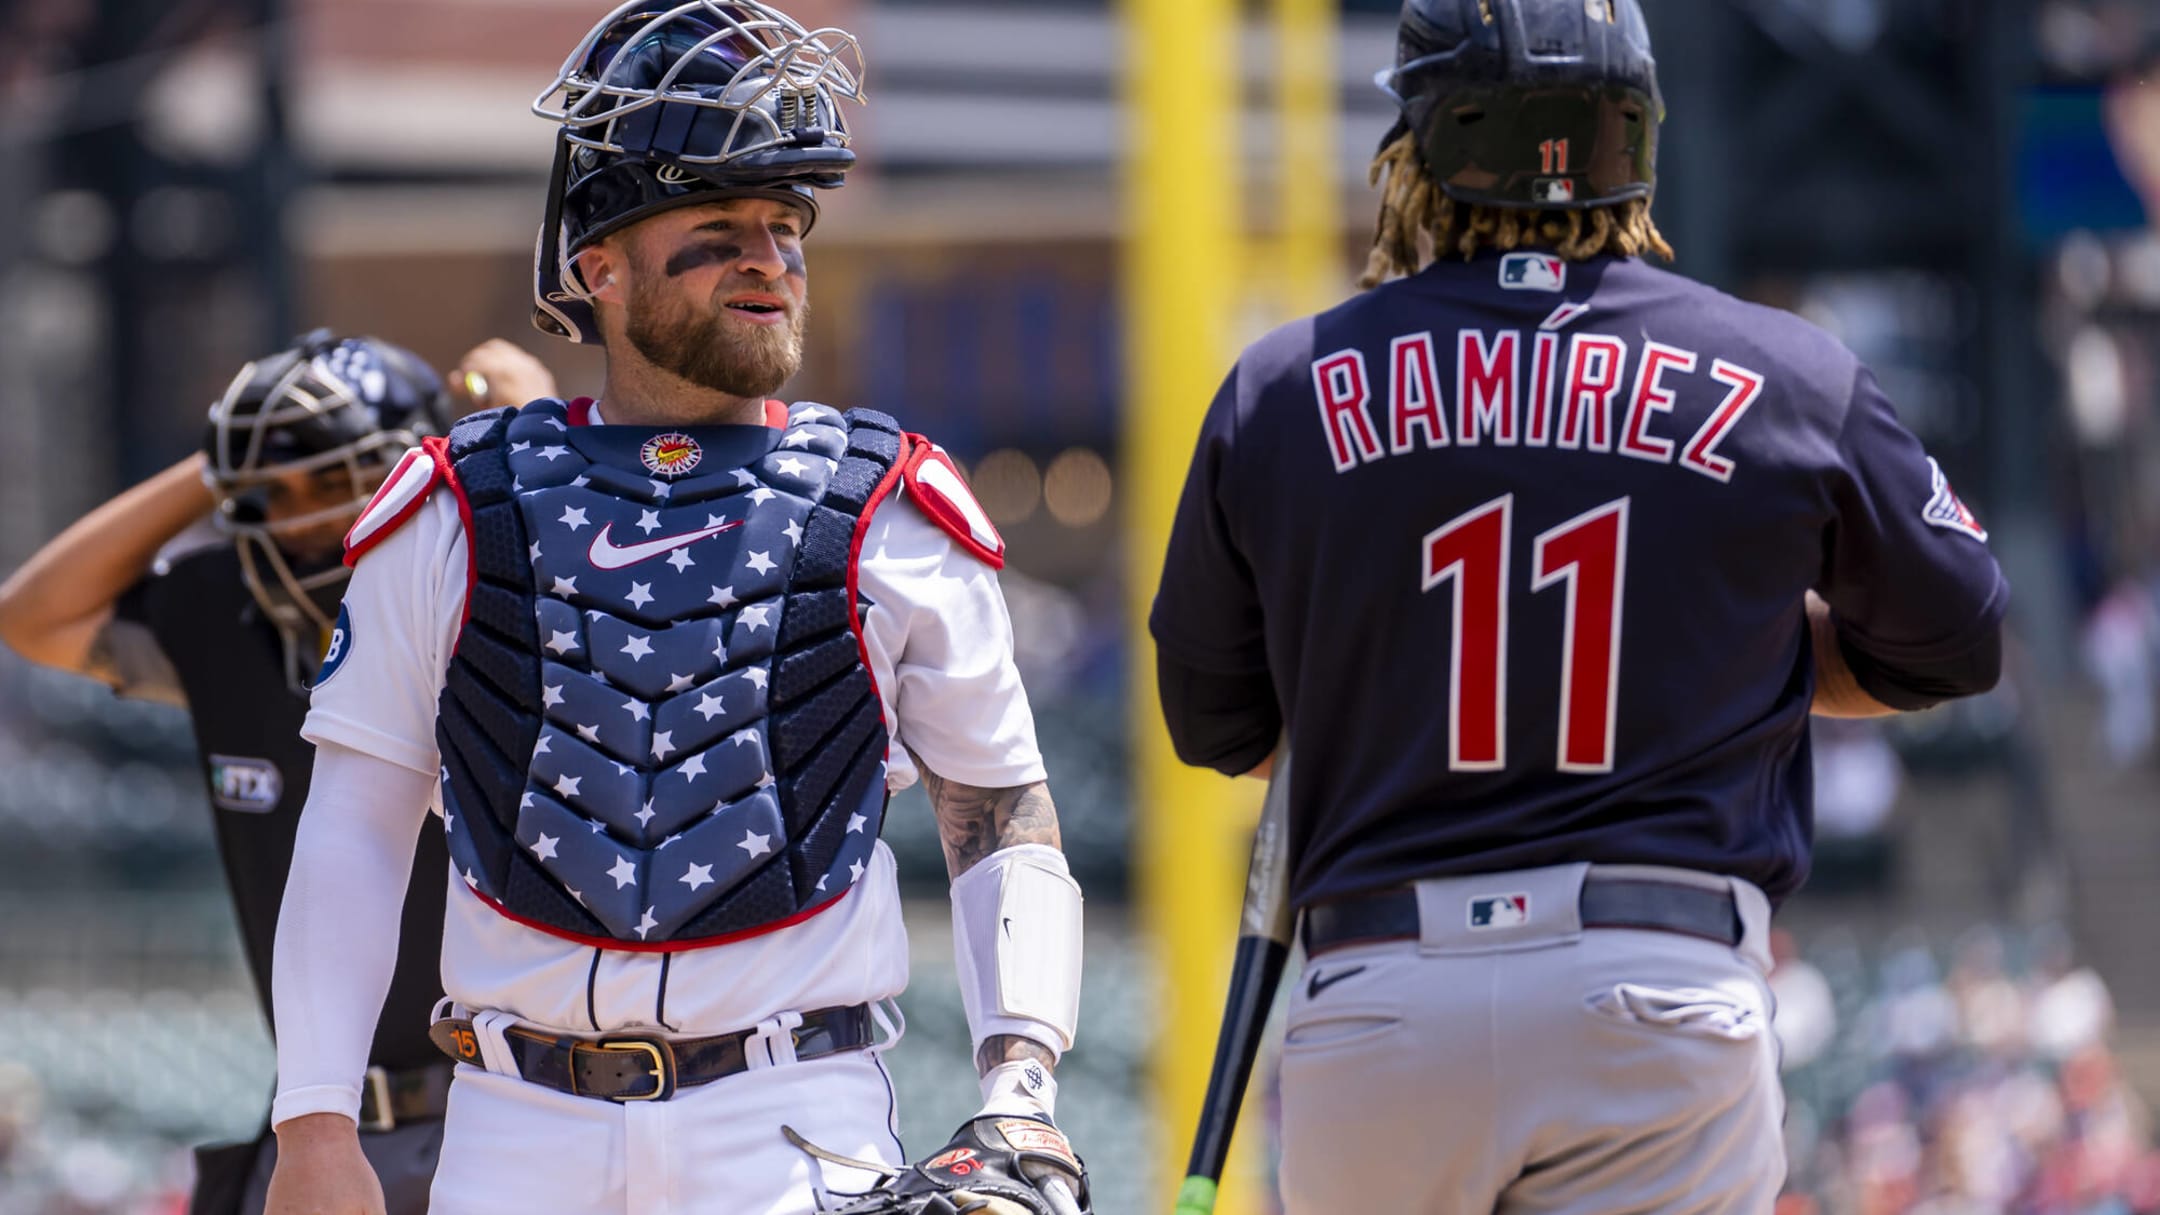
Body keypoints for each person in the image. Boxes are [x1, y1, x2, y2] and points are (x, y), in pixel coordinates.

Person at [1149, 1, 2009, 1211]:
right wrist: (1755, 654)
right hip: (1656, 987)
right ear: (1636, 139)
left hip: (1385, 1006)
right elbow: (1958, 638)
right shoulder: (1788, 373)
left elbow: (1218, 726)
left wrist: (1391, 692)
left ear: (1419, 149)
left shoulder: (1280, 390)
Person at [262, 5, 1090, 1215]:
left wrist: (1022, 1088)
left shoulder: (893, 503)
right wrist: (315, 1123)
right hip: (510, 1125)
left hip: (791, 1122)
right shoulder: (454, 499)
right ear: (598, 265)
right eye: (719, 228)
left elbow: (1002, 811)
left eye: (786, 227)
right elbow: (356, 824)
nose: (769, 258)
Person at [0, 330, 558, 1214]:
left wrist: (517, 437)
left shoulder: (483, 590)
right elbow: (35, 616)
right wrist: (223, 459)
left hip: (513, 1112)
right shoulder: (231, 614)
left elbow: (584, 590)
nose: (301, 517)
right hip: (319, 1127)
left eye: (334, 481)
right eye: (275, 491)